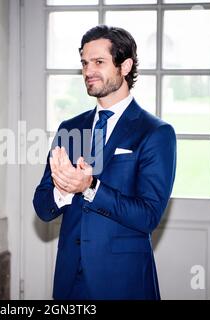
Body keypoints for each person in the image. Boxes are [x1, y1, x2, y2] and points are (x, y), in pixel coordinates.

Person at [33, 25, 176, 300]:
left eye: (99, 62)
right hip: (69, 281)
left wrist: (89, 187)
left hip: (124, 282)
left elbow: (148, 216)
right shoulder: (70, 128)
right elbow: (42, 207)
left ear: (125, 66)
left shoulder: (155, 133)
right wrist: (63, 190)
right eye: (85, 63)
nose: (88, 71)